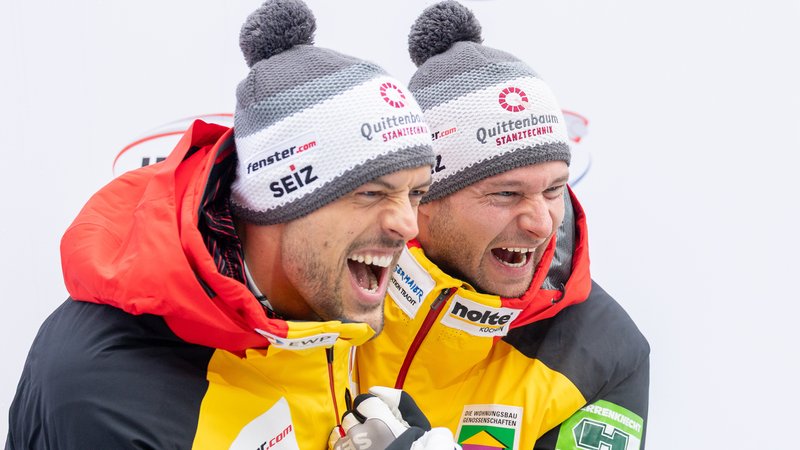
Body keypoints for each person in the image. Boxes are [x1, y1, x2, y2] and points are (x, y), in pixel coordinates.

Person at [5, 1, 443, 448]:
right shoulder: (110, 396)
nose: (407, 225)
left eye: (416, 193)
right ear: (280, 198)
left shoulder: (314, 295)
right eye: (370, 193)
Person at [356, 2, 651, 449]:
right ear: (423, 200)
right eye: (506, 194)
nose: (540, 224)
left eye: (553, 190)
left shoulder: (603, 349)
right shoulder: (328, 286)